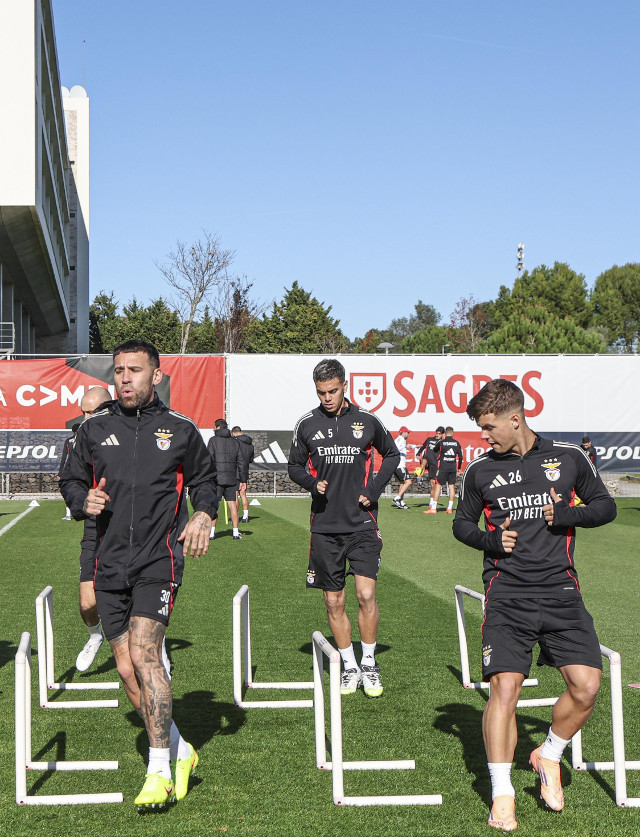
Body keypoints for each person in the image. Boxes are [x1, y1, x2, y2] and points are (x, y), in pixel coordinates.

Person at [452, 378, 617, 831]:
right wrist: (490, 539)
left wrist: (567, 514)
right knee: (505, 689)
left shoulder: (568, 458)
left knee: (586, 687)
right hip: (507, 592)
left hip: (561, 589)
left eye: (489, 428)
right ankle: (502, 793)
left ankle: (549, 754)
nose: (484, 438)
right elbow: (461, 525)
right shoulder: (480, 471)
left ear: (515, 419)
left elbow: (605, 507)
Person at [60, 339, 218, 811]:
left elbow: (205, 481)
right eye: (118, 370)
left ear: (156, 375)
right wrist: (79, 500)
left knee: (148, 654)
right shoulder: (94, 429)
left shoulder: (181, 430)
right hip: (109, 563)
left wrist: (203, 514)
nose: (124, 378)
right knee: (127, 671)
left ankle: (158, 771)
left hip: (158, 561)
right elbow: (70, 480)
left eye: (134, 370)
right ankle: (181, 749)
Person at [288, 358, 400, 698]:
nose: (327, 397)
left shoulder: (367, 421)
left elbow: (391, 455)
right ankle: (349, 666)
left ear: (345, 386)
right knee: (334, 603)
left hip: (363, 524)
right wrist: (311, 483)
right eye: (321, 392)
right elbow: (293, 466)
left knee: (366, 594)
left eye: (333, 391)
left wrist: (374, 489)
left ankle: (369, 663)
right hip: (324, 527)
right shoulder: (307, 424)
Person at [72, 386, 112, 672]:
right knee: (88, 602)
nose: (86, 417)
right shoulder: (79, 438)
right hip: (94, 526)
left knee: (138, 602)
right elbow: (70, 481)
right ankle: (95, 636)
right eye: (83, 411)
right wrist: (83, 501)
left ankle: (154, 649)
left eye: (91, 411)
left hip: (133, 526)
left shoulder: (130, 432)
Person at [208, 418, 244, 539]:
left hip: (217, 479)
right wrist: (243, 480)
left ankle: (212, 533)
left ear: (218, 427)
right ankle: (235, 532)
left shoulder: (213, 440)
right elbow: (240, 462)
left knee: (215, 506)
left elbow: (209, 460)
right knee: (232, 504)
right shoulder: (235, 442)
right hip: (231, 478)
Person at [425, 426, 463, 514]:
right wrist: (459, 467)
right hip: (452, 467)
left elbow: (435, 450)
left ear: (445, 434)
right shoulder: (456, 443)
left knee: (438, 485)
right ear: (452, 433)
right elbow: (460, 457)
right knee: (451, 486)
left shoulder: (442, 442)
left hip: (443, 467)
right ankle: (449, 508)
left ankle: (433, 508)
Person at [232, 425, 254, 523]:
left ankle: (235, 517)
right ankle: (245, 517)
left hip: (236, 471)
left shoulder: (235, 442)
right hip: (245, 470)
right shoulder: (250, 444)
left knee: (235, 495)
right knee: (243, 494)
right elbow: (251, 459)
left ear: (234, 433)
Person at [58, 423, 81, 520]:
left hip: (70, 467)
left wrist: (60, 473)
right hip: (81, 468)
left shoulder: (68, 441)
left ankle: (68, 514)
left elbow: (64, 457)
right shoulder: (83, 439)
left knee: (69, 490)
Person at [417, 426, 445, 502]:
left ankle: (431, 501)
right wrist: (418, 453)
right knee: (424, 460)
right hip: (427, 459)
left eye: (439, 434)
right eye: (436, 433)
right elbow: (422, 447)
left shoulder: (442, 443)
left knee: (433, 484)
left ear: (442, 434)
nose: (437, 435)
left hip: (434, 463)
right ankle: (419, 476)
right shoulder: (429, 439)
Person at [392, 426, 413, 509]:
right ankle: (397, 498)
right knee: (408, 482)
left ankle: (401, 501)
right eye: (407, 432)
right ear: (403, 432)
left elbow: (406, 446)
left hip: (399, 465)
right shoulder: (400, 440)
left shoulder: (400, 440)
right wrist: (404, 447)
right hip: (400, 465)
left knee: (402, 483)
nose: (408, 434)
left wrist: (413, 446)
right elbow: (395, 449)